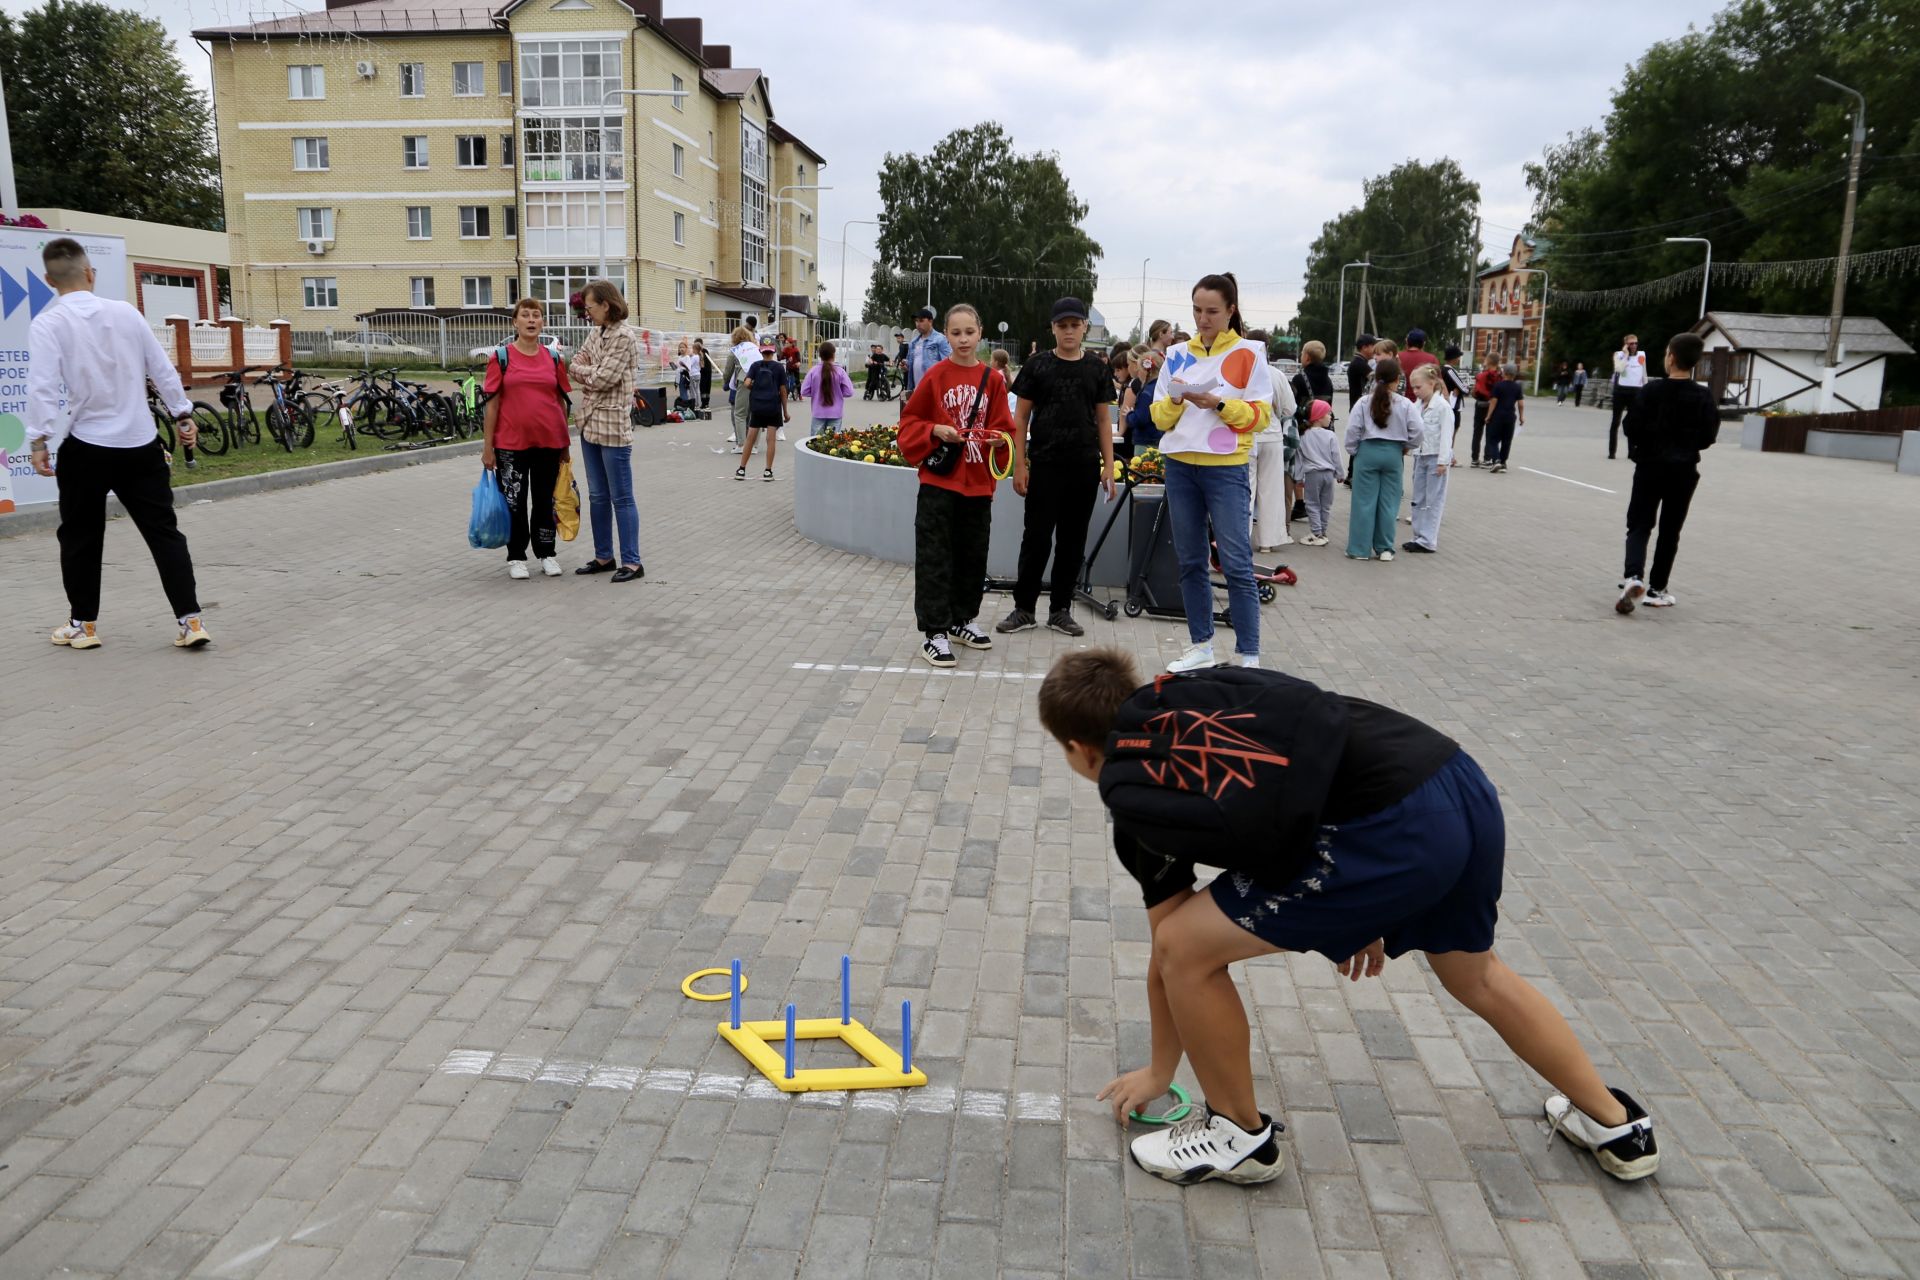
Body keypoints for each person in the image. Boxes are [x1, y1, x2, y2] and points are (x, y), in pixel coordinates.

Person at [1037, 649, 1662, 1188]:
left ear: (1075, 747)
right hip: (1454, 779)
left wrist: (1159, 1072)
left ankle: (1238, 1137)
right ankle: (1616, 1126)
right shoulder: (1192, 686)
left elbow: (1168, 958)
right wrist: (1360, 904)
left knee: (1185, 947)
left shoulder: (1136, 789)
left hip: (1388, 829)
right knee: (1477, 975)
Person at [26, 236, 211, 650]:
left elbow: (40, 388)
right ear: (90, 274)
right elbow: (161, 369)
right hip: (139, 442)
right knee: (165, 533)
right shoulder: (127, 313)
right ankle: (191, 621)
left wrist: (38, 439)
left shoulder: (48, 324)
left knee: (81, 537)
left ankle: (83, 626)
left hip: (86, 447)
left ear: (48, 280)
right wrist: (182, 414)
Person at [1150, 273, 1270, 671]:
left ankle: (1248, 654)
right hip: (1181, 465)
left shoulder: (1250, 353)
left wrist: (1217, 404)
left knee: (1236, 561)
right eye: (1198, 310)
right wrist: (1179, 400)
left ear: (1230, 310)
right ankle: (1201, 645)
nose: (1203, 319)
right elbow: (1158, 417)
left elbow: (1259, 416)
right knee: (1190, 561)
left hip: (1226, 468)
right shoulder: (1177, 353)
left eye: (1212, 311)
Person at [898, 303, 1015, 668]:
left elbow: (1006, 428)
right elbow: (909, 422)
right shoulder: (935, 376)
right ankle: (935, 631)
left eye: (969, 332)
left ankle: (962, 619)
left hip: (978, 484)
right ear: (945, 335)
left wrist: (999, 440)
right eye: (955, 333)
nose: (963, 339)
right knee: (935, 556)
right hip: (940, 483)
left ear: (980, 333)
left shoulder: (993, 380)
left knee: (972, 555)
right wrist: (935, 429)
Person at [998, 295, 1117, 638]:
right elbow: (1020, 418)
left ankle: (1060, 609)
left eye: (1074, 325)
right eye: (1062, 325)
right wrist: (1020, 464)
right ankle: (1024, 609)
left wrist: (1108, 466)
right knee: (1035, 538)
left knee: (1073, 540)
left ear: (1084, 328)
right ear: (1052, 328)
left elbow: (1104, 419)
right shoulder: (1038, 366)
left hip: (1083, 465)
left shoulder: (1096, 367)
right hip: (1046, 464)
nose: (1068, 331)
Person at [1616, 332, 1719, 614]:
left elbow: (1630, 426)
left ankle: (1633, 576)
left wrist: (1642, 446)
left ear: (1671, 357)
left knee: (1639, 525)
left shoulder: (1650, 392)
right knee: (1670, 530)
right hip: (1684, 470)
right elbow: (1709, 436)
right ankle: (1657, 589)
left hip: (1649, 466)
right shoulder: (1703, 396)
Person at [482, 297, 574, 579]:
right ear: (515, 322)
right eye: (526, 315)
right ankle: (516, 557)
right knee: (514, 502)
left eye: (537, 315)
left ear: (542, 322)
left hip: (549, 442)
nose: (532, 320)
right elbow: (492, 405)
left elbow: (561, 402)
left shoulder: (554, 358)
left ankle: (547, 553)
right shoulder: (501, 357)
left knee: (546, 500)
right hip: (510, 445)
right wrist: (488, 449)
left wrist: (566, 444)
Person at [568, 281, 644, 583]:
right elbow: (574, 364)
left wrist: (588, 373)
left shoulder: (624, 336)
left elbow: (602, 378)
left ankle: (633, 562)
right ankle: (604, 556)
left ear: (606, 305)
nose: (587, 313)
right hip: (588, 423)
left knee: (621, 497)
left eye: (590, 307)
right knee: (597, 495)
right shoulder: (596, 333)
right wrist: (589, 372)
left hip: (613, 427)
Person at [1343, 355, 1419, 560]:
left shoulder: (1363, 402)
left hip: (1367, 452)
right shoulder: (1405, 404)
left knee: (1363, 502)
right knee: (1389, 503)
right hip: (1393, 454)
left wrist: (1353, 450)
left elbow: (1352, 430)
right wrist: (1407, 447)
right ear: (1397, 380)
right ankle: (1385, 548)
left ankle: (1359, 549)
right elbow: (1418, 430)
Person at [1402, 364, 1453, 555]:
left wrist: (1443, 461)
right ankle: (1418, 536)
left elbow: (1447, 435)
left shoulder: (1442, 407)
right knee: (1418, 498)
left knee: (1433, 499)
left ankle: (1428, 539)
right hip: (1420, 456)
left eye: (1418, 387)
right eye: (1413, 387)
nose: (1415, 391)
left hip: (1435, 459)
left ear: (1432, 383)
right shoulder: (1416, 406)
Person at [1252, 353, 1297, 551]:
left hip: (1247, 435)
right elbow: (1290, 409)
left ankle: (1240, 540)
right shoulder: (1276, 374)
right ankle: (1267, 542)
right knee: (1270, 490)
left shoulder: (1244, 371)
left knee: (1245, 490)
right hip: (1272, 435)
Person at [735, 341, 788, 480]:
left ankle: (741, 469)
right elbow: (783, 391)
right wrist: (786, 411)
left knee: (750, 438)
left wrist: (756, 389)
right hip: (773, 407)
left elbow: (746, 383)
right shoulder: (779, 367)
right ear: (773, 350)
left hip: (757, 407)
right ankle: (768, 471)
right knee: (770, 440)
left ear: (761, 351)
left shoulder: (755, 366)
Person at [1293, 400, 1342, 545]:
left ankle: (1316, 533)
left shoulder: (1303, 436)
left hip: (1312, 474)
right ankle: (1323, 532)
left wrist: (1298, 477)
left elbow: (1299, 459)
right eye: (1328, 413)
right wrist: (1340, 474)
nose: (1330, 417)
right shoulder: (1331, 435)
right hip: (1328, 475)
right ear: (1318, 417)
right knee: (1325, 505)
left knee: (1312, 504)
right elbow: (1336, 456)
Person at [799, 340, 854, 437]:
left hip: (818, 413)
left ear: (819, 355)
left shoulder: (813, 371)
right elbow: (849, 392)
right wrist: (838, 393)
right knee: (832, 443)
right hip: (836, 413)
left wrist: (816, 392)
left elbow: (804, 391)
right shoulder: (840, 371)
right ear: (833, 355)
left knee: (815, 443)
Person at [720, 324, 758, 453]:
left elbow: (728, 371)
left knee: (740, 413)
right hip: (759, 381)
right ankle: (754, 446)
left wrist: (725, 382)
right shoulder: (755, 347)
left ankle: (742, 445)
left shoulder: (735, 350)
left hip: (743, 381)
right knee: (754, 414)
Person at [1609, 334, 1647, 459]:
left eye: (1636, 343)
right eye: (1631, 343)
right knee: (1616, 422)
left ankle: (1631, 452)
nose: (1634, 346)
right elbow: (1619, 369)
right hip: (1620, 391)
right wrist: (1625, 355)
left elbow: (1643, 373)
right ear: (1626, 344)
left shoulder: (1641, 356)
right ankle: (1612, 452)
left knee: (1633, 422)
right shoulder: (1618, 355)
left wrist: (1645, 390)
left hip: (1635, 392)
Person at [1483, 362, 1525, 473]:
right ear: (1514, 374)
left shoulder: (1498, 385)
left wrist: (1488, 415)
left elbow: (1494, 401)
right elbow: (1520, 404)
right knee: (1507, 440)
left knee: (1492, 439)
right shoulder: (1517, 387)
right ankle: (1503, 463)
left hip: (1497, 416)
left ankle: (1496, 460)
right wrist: (1521, 417)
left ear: (1504, 372)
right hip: (1510, 417)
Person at [902, 307, 952, 398]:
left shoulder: (940, 339)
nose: (918, 324)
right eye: (916, 321)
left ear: (930, 321)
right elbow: (909, 365)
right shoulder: (913, 342)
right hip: (916, 390)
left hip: (934, 390)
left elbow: (949, 364)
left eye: (921, 321)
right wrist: (905, 366)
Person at [1126, 345, 1162, 451]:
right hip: (1158, 437)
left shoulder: (1146, 392)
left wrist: (1130, 415)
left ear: (1147, 370)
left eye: (1140, 368)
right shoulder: (1160, 387)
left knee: (1143, 466)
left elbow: (1141, 418)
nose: (1138, 372)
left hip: (1145, 441)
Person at [1469, 354, 1501, 467]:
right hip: (1493, 407)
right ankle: (1487, 458)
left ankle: (1474, 459)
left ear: (1488, 362)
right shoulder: (1500, 376)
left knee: (1477, 433)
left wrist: (1475, 395)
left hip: (1481, 405)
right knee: (1490, 433)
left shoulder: (1481, 376)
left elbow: (1475, 391)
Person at [1440, 344, 1470, 443]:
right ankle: (1449, 453)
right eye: (1458, 357)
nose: (1459, 359)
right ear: (1453, 358)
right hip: (1453, 405)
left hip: (1444, 404)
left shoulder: (1442, 369)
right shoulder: (1450, 371)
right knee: (1452, 430)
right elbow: (1464, 389)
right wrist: (1464, 387)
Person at [1345, 335, 1377, 408]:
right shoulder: (1359, 363)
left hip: (1357, 404)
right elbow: (1376, 380)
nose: (1375, 351)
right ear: (1364, 347)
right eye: (1373, 347)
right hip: (1359, 405)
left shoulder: (1359, 361)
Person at [694, 338, 714, 414]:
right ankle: (704, 403)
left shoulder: (704, 351)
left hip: (707, 372)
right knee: (703, 388)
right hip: (702, 372)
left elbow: (703, 362)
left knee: (706, 387)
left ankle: (706, 403)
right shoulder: (696, 353)